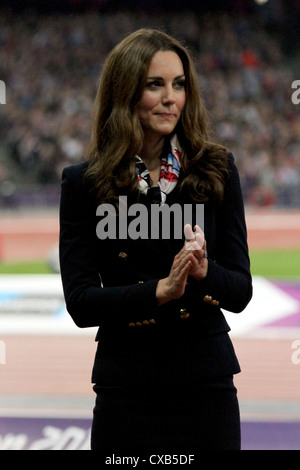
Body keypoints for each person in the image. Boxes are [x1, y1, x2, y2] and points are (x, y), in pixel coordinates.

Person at [59, 28, 252, 454]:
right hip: (127, 386)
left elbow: (240, 291)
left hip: (206, 384)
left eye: (179, 85)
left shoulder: (217, 169)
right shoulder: (83, 184)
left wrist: (205, 272)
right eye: (155, 85)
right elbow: (81, 303)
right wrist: (159, 292)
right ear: (125, 91)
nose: (171, 98)